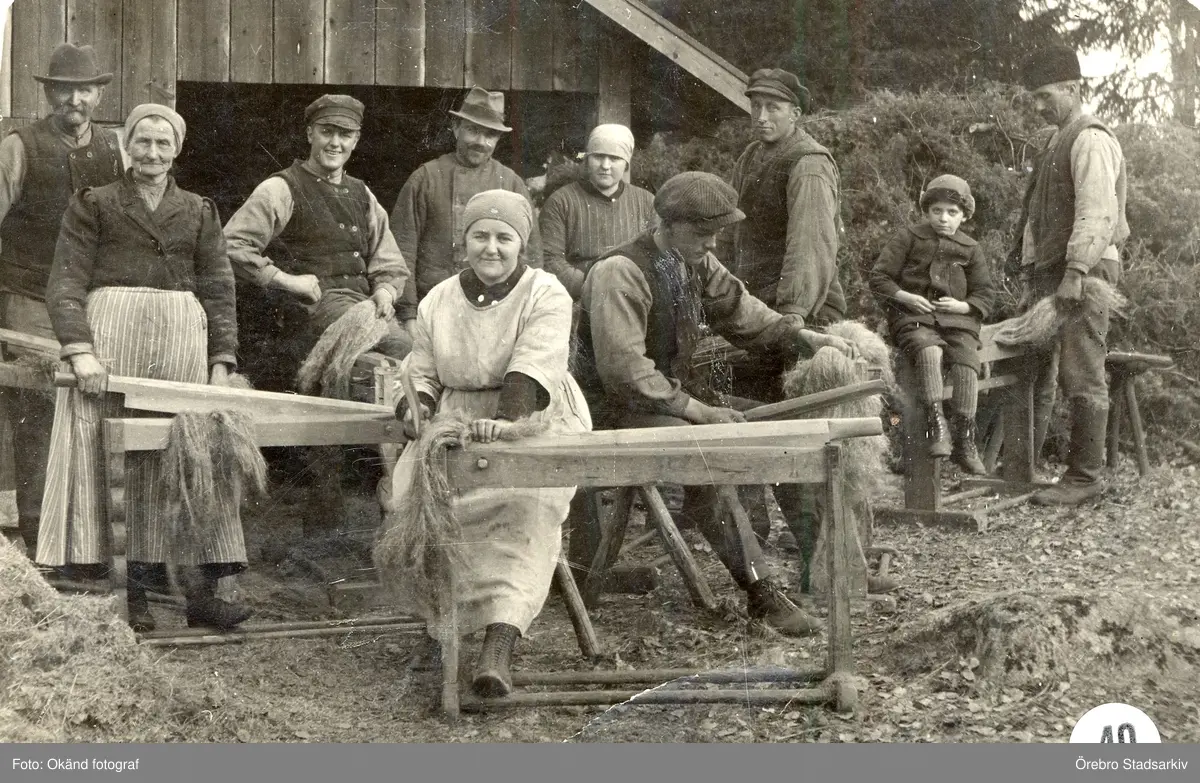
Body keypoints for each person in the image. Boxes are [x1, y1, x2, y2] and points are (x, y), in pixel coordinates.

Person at [576, 172, 860, 637]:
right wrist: (700, 411)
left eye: (716, 235)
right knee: (708, 452)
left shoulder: (696, 262)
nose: (712, 245)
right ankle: (760, 590)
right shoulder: (620, 273)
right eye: (703, 234)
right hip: (611, 412)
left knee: (786, 429)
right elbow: (624, 374)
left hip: (667, 400)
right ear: (668, 225)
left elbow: (742, 312)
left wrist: (801, 335)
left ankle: (821, 562)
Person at [40, 104, 252, 633]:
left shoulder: (200, 211)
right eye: (143, 142)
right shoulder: (95, 204)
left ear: (177, 150)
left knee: (187, 458)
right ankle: (130, 594)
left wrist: (221, 361)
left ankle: (201, 593)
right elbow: (65, 281)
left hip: (182, 343)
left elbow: (220, 287)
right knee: (117, 462)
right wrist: (79, 349)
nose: (152, 153)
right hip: (113, 340)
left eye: (163, 143)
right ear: (126, 146)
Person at [386, 190, 590, 698]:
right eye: (480, 235)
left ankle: (500, 639)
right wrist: (417, 410)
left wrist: (505, 423)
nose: (491, 248)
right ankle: (444, 625)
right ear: (464, 241)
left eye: (504, 238)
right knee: (418, 494)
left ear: (522, 245)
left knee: (524, 504)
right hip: (459, 417)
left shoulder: (545, 292)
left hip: (535, 415)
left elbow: (535, 363)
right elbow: (423, 371)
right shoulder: (438, 298)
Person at [718, 68, 853, 592]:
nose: (762, 116)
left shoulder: (809, 163)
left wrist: (792, 317)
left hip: (802, 316)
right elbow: (730, 237)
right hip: (754, 315)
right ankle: (758, 564)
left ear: (796, 113)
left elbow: (811, 246)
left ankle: (825, 565)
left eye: (773, 107)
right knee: (755, 430)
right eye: (755, 106)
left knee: (801, 441)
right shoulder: (752, 158)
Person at [0, 44, 123, 564]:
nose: (75, 98)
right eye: (64, 88)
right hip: (29, 296)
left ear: (98, 93)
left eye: (85, 88)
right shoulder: (18, 146)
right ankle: (39, 542)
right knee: (40, 412)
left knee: (100, 411)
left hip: (93, 301)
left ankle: (91, 543)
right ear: (49, 93)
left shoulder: (116, 149)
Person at [1015, 46, 1129, 506]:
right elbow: (1036, 219)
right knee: (1038, 369)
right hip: (1054, 272)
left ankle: (1085, 478)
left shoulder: (1090, 139)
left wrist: (1076, 271)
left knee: (1083, 371)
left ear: (1073, 88)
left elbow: (1098, 213)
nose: (1038, 106)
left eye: (1044, 96)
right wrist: (1031, 272)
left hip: (1084, 274)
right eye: (1033, 98)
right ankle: (1020, 468)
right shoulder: (1055, 141)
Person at [223, 94, 412, 360]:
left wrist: (385, 291)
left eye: (345, 135)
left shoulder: (362, 194)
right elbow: (232, 245)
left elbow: (390, 263)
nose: (335, 143)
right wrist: (285, 280)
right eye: (326, 132)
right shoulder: (281, 188)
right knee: (386, 354)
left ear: (355, 141)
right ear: (310, 134)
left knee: (407, 351)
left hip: (362, 309)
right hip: (308, 314)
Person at [870, 174, 995, 474]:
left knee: (967, 360)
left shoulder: (971, 248)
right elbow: (879, 278)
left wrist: (964, 305)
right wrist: (906, 298)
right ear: (926, 211)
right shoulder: (909, 238)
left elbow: (985, 294)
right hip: (913, 316)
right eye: (937, 211)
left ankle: (964, 441)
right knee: (929, 350)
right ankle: (937, 427)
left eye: (952, 212)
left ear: (964, 216)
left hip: (957, 320)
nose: (944, 218)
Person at [390, 87, 541, 322]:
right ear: (456, 127)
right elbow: (402, 250)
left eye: (490, 135)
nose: (481, 142)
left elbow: (530, 253)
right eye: (473, 130)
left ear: (498, 139)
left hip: (497, 308)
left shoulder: (511, 183)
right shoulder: (426, 178)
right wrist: (408, 314)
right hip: (434, 306)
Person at [539, 124, 655, 301]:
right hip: (578, 299)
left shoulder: (646, 201)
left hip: (634, 296)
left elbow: (659, 255)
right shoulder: (561, 201)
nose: (605, 165)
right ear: (587, 159)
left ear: (626, 164)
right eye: (599, 156)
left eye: (615, 158)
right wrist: (595, 287)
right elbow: (550, 260)